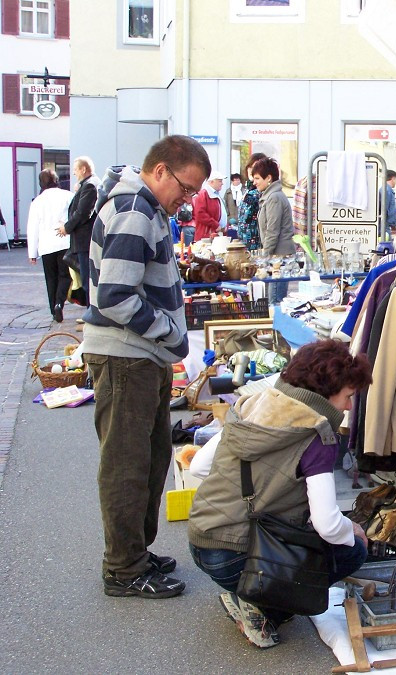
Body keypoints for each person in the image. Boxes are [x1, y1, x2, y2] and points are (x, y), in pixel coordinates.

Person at [82, 134, 211, 599]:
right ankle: (123, 567)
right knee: (127, 465)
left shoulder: (145, 207)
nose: (188, 199)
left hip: (138, 356)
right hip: (125, 356)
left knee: (151, 458)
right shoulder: (135, 209)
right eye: (186, 187)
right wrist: (171, 334)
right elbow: (114, 296)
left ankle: (134, 552)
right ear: (160, 171)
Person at [188, 339, 372, 649]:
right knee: (352, 549)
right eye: (348, 396)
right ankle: (263, 606)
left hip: (202, 543)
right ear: (328, 392)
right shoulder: (316, 434)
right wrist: (351, 531)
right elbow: (327, 524)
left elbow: (199, 467)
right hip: (237, 557)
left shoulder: (251, 403)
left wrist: (263, 495)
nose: (349, 407)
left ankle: (247, 592)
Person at [27, 169, 73, 323]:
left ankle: (53, 309)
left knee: (51, 278)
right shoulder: (68, 196)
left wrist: (32, 253)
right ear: (56, 180)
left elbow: (32, 228)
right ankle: (60, 303)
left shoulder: (37, 202)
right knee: (65, 276)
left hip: (46, 245)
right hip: (65, 241)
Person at [58, 156, 100, 308]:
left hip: (85, 241)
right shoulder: (88, 184)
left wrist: (67, 227)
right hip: (84, 241)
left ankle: (92, 313)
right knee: (86, 278)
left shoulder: (89, 185)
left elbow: (82, 212)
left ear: (83, 169)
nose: (74, 173)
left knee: (88, 279)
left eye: (75, 170)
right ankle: (91, 311)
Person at [252, 157, 294, 303]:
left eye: (257, 178)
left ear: (268, 178)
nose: (254, 182)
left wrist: (264, 257)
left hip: (278, 257)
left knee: (274, 301)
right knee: (274, 299)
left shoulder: (274, 198)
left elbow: (272, 231)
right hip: (277, 256)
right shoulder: (271, 196)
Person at [237, 152, 267, 251]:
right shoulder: (247, 189)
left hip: (256, 242)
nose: (251, 170)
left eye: (256, 167)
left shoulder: (261, 192)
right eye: (250, 166)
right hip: (243, 240)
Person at [192, 170, 226, 242]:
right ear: (211, 182)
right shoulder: (203, 194)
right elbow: (200, 214)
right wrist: (215, 225)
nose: (222, 183)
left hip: (215, 233)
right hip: (207, 235)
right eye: (220, 181)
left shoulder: (215, 194)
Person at [384, 169, 396, 233]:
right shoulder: (388, 191)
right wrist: (393, 226)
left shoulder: (385, 189)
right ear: (393, 178)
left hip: (385, 225)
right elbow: (387, 210)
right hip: (386, 226)